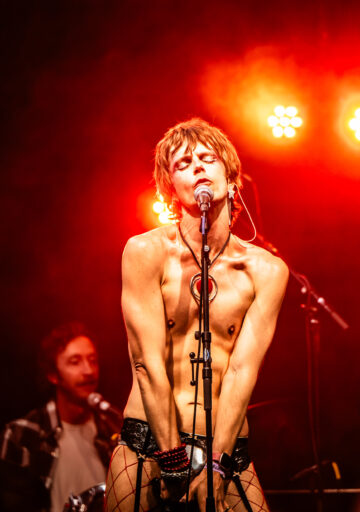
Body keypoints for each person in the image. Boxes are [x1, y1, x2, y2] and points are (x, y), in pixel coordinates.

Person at [104, 118, 289, 512]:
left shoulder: (267, 270)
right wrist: (172, 460)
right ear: (170, 186)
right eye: (183, 164)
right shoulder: (145, 251)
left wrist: (218, 467)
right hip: (148, 443)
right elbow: (147, 363)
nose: (198, 167)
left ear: (231, 173)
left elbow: (243, 371)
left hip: (226, 452)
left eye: (208, 158)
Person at [0, 322, 121, 512]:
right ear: (52, 375)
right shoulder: (21, 434)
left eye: (93, 360)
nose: (89, 371)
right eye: (75, 362)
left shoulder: (112, 430)